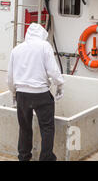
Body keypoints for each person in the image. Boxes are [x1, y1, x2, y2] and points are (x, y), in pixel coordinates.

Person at [7, 23, 64, 161]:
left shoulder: (16, 49)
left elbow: (10, 76)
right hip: (41, 94)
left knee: (25, 127)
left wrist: (14, 93)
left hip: (22, 95)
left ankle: (24, 157)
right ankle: (46, 158)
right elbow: (53, 70)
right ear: (42, 34)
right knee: (47, 128)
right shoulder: (45, 46)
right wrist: (60, 84)